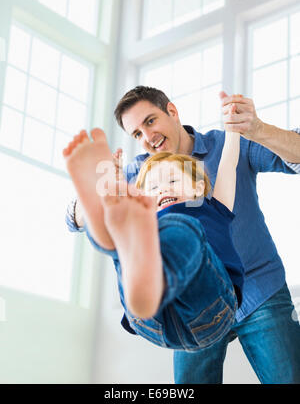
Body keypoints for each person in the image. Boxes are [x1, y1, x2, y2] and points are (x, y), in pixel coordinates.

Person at [66, 86, 300, 383]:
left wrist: (250, 129)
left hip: (246, 290)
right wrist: (99, 190)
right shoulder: (138, 175)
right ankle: (130, 268)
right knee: (126, 238)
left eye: (150, 121)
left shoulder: (210, 196)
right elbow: (73, 220)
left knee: (184, 232)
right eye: (136, 133)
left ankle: (135, 262)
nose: (146, 137)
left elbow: (236, 159)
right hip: (164, 312)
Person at [63, 123, 244, 350]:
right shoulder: (146, 221)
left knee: (182, 229)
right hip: (151, 319)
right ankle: (109, 217)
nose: (162, 189)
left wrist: (233, 130)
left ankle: (122, 242)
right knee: (130, 234)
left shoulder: (213, 209)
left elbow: (229, 165)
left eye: (173, 181)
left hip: (210, 309)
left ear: (198, 188)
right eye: (153, 187)